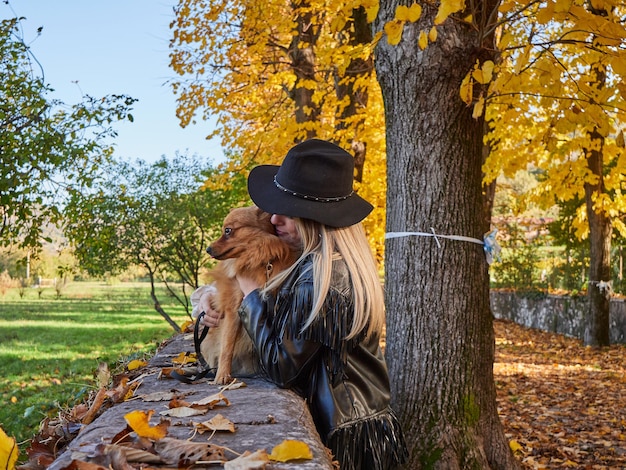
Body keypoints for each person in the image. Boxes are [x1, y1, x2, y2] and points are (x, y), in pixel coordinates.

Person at [201, 139, 408, 469]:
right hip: (358, 425)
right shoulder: (319, 264)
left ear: (316, 217)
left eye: (288, 210)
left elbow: (282, 367)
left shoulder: (324, 279)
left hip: (345, 438)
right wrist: (213, 306)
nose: (274, 219)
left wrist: (251, 296)